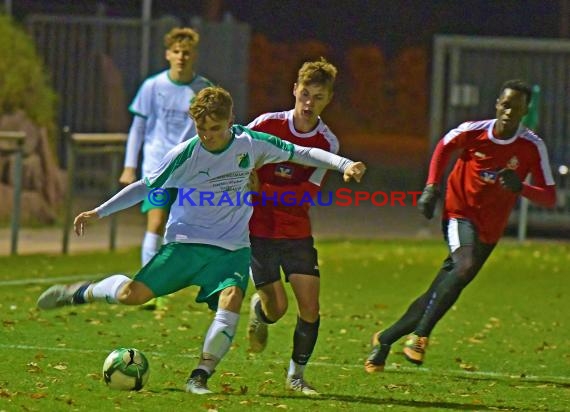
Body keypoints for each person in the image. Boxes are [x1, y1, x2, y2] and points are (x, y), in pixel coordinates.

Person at [36, 86, 366, 395]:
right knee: (131, 295)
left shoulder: (250, 143)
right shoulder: (185, 154)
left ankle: (200, 375)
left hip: (232, 249)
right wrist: (100, 211)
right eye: (201, 129)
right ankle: (82, 293)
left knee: (233, 296)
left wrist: (345, 163)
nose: (208, 136)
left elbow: (301, 152)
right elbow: (144, 186)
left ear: (230, 122)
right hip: (186, 243)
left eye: (215, 129)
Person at [365, 79, 556, 372]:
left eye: (516, 107)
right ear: (497, 103)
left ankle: (386, 339)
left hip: (490, 228)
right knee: (463, 264)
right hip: (459, 212)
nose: (508, 111)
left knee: (445, 286)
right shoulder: (474, 130)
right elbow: (443, 148)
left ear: (525, 110)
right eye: (505, 104)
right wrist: (431, 188)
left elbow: (550, 197)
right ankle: (420, 337)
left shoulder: (532, 146)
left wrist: (521, 188)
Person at [245, 58, 339, 395]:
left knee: (310, 306)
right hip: (258, 231)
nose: (309, 103)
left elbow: (305, 194)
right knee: (277, 309)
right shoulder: (266, 124)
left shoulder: (328, 144)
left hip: (296, 232)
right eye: (305, 94)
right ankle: (261, 308)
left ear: (328, 99)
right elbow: (239, 155)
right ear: (294, 91)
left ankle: (296, 376)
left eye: (318, 96)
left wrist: (264, 189)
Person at [119, 27, 212, 310]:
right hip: (158, 168)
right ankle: (147, 287)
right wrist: (129, 166)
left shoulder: (203, 89)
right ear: (167, 54)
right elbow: (138, 127)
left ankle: (209, 284)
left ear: (194, 55)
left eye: (186, 52)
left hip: (191, 171)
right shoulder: (153, 86)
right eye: (176, 52)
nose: (181, 57)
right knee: (156, 224)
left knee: (192, 229)